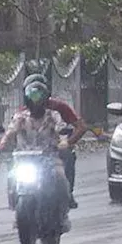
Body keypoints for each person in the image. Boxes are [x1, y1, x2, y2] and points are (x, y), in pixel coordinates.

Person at [0, 81, 73, 231]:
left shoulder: (53, 116)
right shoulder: (21, 117)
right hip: (24, 160)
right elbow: (10, 131)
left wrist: (63, 142)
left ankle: (63, 214)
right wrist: (3, 143)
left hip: (49, 159)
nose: (36, 101)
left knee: (61, 180)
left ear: (45, 99)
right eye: (33, 97)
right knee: (12, 177)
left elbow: (62, 129)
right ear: (27, 98)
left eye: (39, 97)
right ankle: (16, 208)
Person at [20, 73, 87, 208]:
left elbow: (81, 127)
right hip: (30, 151)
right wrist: (5, 145)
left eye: (39, 93)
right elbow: (12, 131)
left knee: (68, 156)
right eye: (32, 94)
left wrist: (67, 142)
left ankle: (67, 192)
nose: (36, 99)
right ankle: (17, 193)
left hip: (53, 150)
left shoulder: (59, 107)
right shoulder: (22, 112)